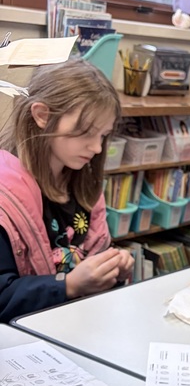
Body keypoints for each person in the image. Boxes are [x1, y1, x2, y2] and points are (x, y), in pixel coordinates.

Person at [0, 58, 134, 322]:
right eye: (85, 132)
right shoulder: (5, 197)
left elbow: (95, 252)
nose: (96, 148)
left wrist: (112, 270)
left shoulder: (82, 181)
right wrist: (69, 285)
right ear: (42, 115)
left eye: (103, 135)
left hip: (75, 323)